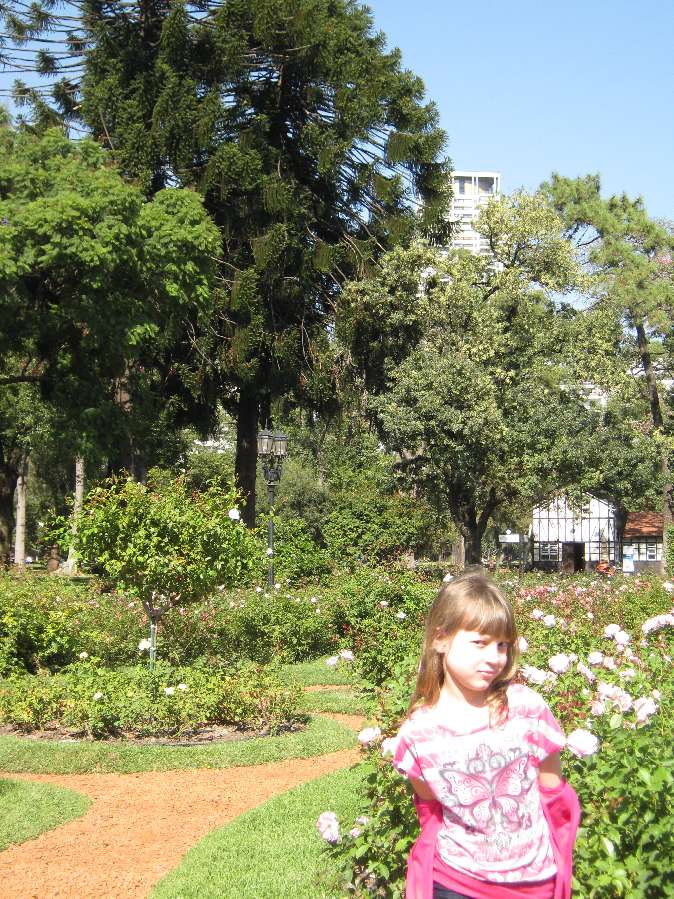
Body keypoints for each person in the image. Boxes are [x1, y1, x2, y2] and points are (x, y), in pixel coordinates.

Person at [392, 572, 580, 899]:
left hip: (537, 884)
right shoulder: (417, 735)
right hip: (457, 885)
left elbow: (552, 792)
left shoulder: (527, 709)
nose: (494, 658)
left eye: (502, 645)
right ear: (440, 639)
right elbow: (432, 811)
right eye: (480, 643)